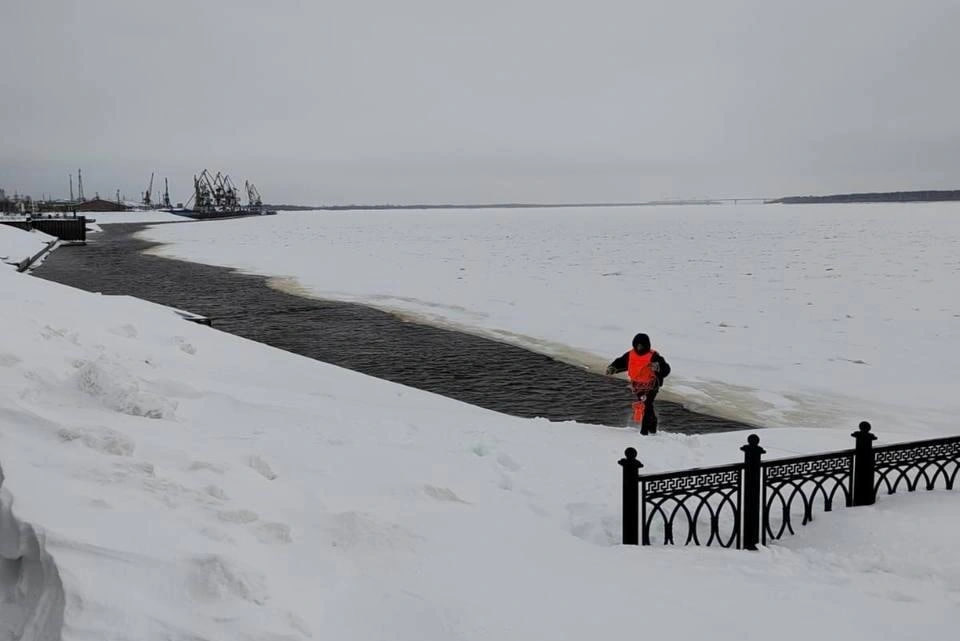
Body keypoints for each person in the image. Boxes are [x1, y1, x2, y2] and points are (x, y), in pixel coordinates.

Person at [605, 333, 671, 434]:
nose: (639, 347)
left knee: (646, 405)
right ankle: (653, 425)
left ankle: (644, 432)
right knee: (647, 405)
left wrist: (658, 368)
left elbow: (666, 369)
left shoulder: (653, 356)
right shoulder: (630, 354)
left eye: (642, 345)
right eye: (637, 345)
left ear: (647, 345)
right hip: (637, 386)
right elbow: (621, 362)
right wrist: (612, 368)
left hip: (651, 385)